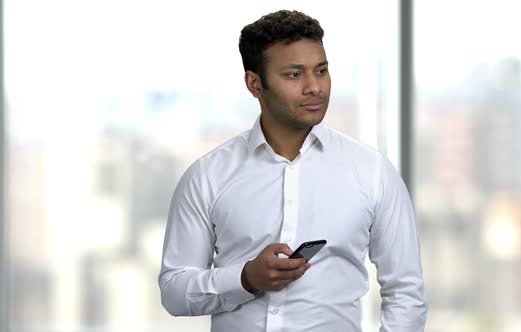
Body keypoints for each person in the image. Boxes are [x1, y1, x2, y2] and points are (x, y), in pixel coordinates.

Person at [158, 9, 427, 332]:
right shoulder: (207, 176)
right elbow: (174, 291)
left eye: (322, 70)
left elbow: (406, 294)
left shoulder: (372, 172)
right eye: (294, 75)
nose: (314, 87)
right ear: (254, 83)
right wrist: (245, 278)